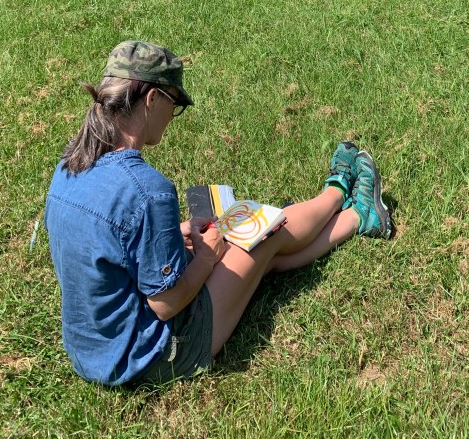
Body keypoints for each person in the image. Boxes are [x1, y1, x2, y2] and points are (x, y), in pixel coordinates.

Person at [44, 40, 393, 387]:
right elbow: (165, 305)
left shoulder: (68, 166)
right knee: (264, 231)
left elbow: (107, 247)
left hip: (92, 352)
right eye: (174, 104)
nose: (173, 116)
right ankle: (339, 193)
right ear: (152, 99)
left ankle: (359, 217)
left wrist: (171, 233)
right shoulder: (147, 189)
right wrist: (208, 258)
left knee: (259, 261)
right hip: (150, 356)